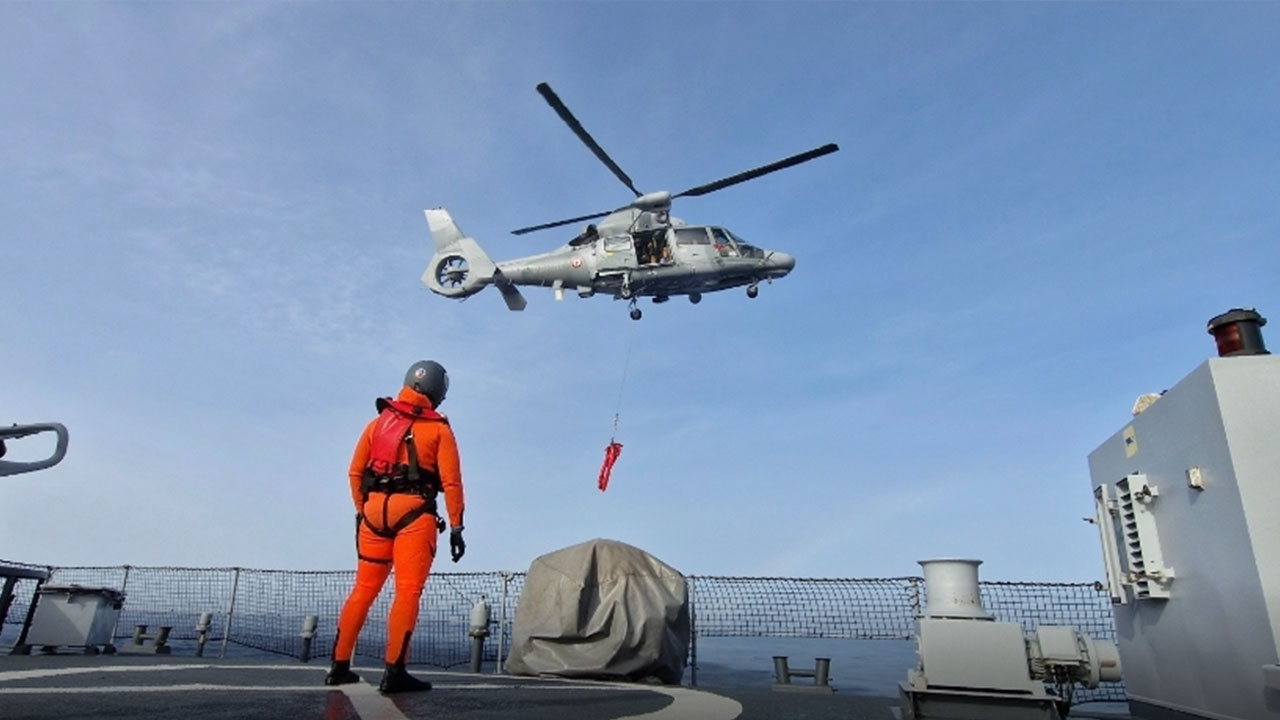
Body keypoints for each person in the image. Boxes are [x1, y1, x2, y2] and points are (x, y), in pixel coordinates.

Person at [324, 360, 467, 694]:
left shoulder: (377, 423)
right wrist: (457, 526)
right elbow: (452, 482)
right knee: (407, 592)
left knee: (363, 589)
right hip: (414, 517)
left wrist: (363, 510)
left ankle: (339, 667)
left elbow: (355, 472)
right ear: (437, 391)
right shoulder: (439, 430)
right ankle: (394, 672)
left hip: (373, 516)